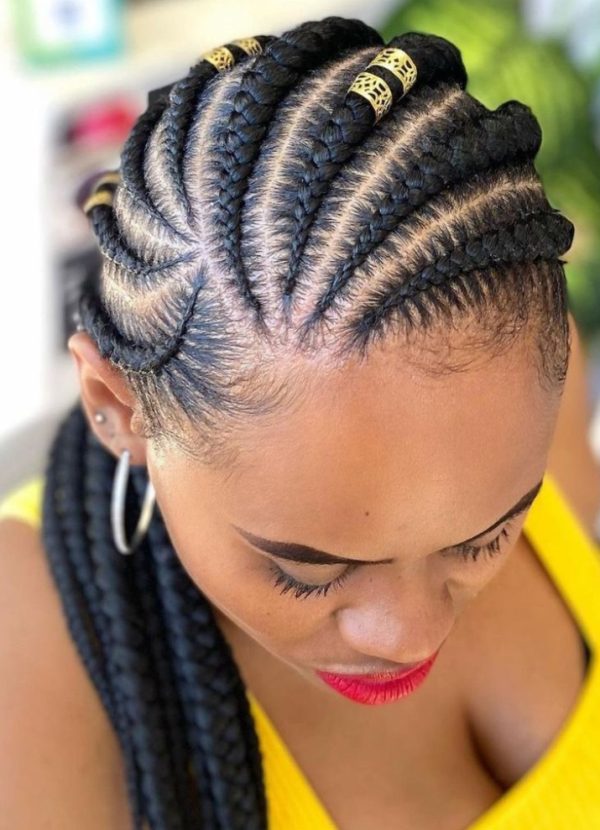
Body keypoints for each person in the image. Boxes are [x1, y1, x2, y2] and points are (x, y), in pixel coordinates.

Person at [1, 17, 600, 830]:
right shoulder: (20, 654)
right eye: (309, 572)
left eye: (488, 536)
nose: (413, 637)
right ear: (120, 410)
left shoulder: (535, 382)